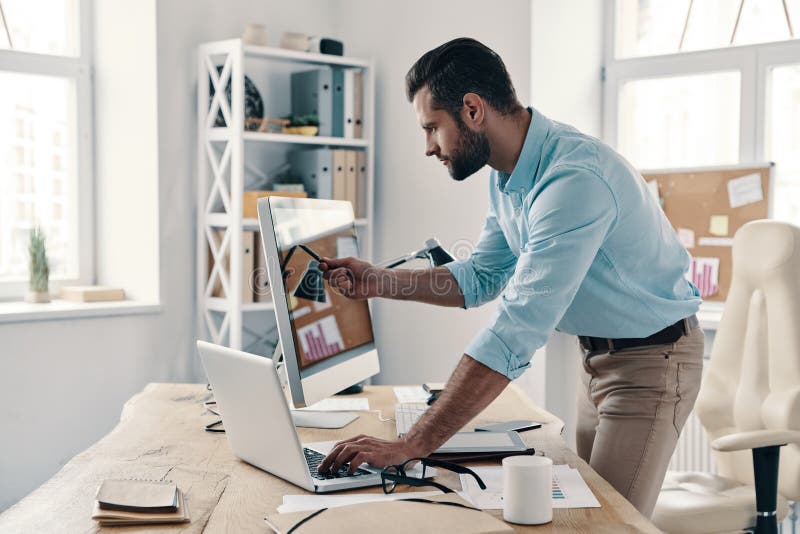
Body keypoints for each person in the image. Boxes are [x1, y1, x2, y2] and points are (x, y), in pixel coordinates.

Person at [316, 37, 703, 518]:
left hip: (653, 362)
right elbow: (480, 276)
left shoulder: (573, 180)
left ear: (473, 109)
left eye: (432, 128)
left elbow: (516, 329)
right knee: (580, 514)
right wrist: (378, 282)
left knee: (608, 524)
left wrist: (412, 443)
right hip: (598, 359)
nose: (428, 147)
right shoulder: (509, 175)